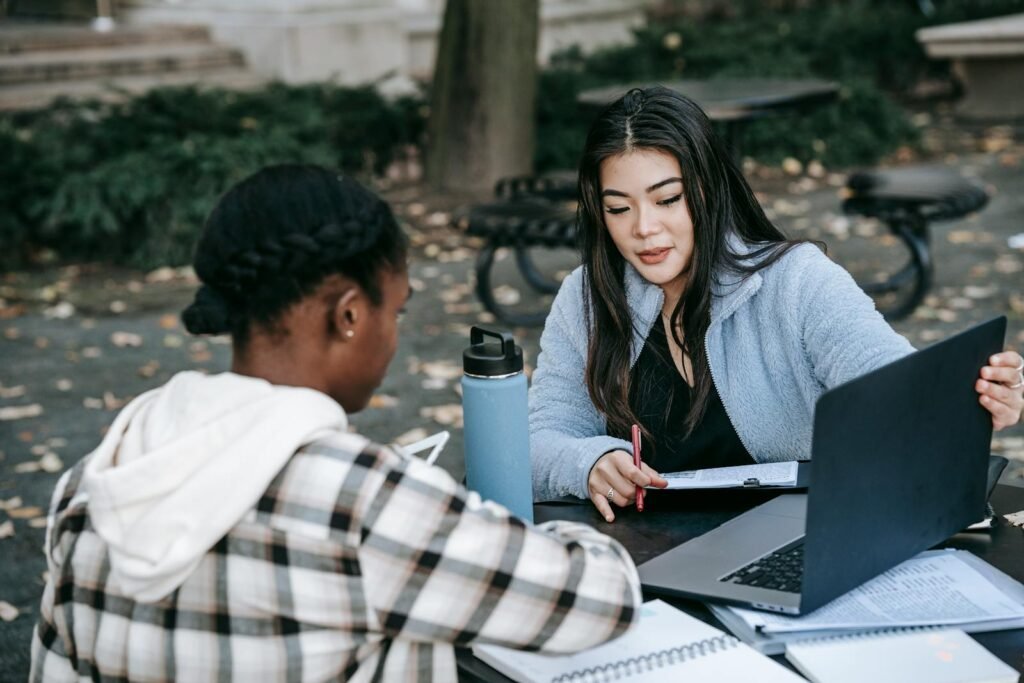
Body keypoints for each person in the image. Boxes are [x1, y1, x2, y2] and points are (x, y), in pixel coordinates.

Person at [30, 165, 641, 682]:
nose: (394, 336)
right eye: (395, 311)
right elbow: (601, 597)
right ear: (349, 314)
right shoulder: (363, 503)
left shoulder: (90, 483)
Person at [529, 87, 1024, 522]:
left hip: (793, 548)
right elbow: (534, 444)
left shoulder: (796, 281)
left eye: (667, 199)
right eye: (619, 208)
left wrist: (969, 405)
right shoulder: (586, 298)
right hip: (645, 566)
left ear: (707, 189)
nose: (643, 228)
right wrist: (588, 463)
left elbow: (891, 385)